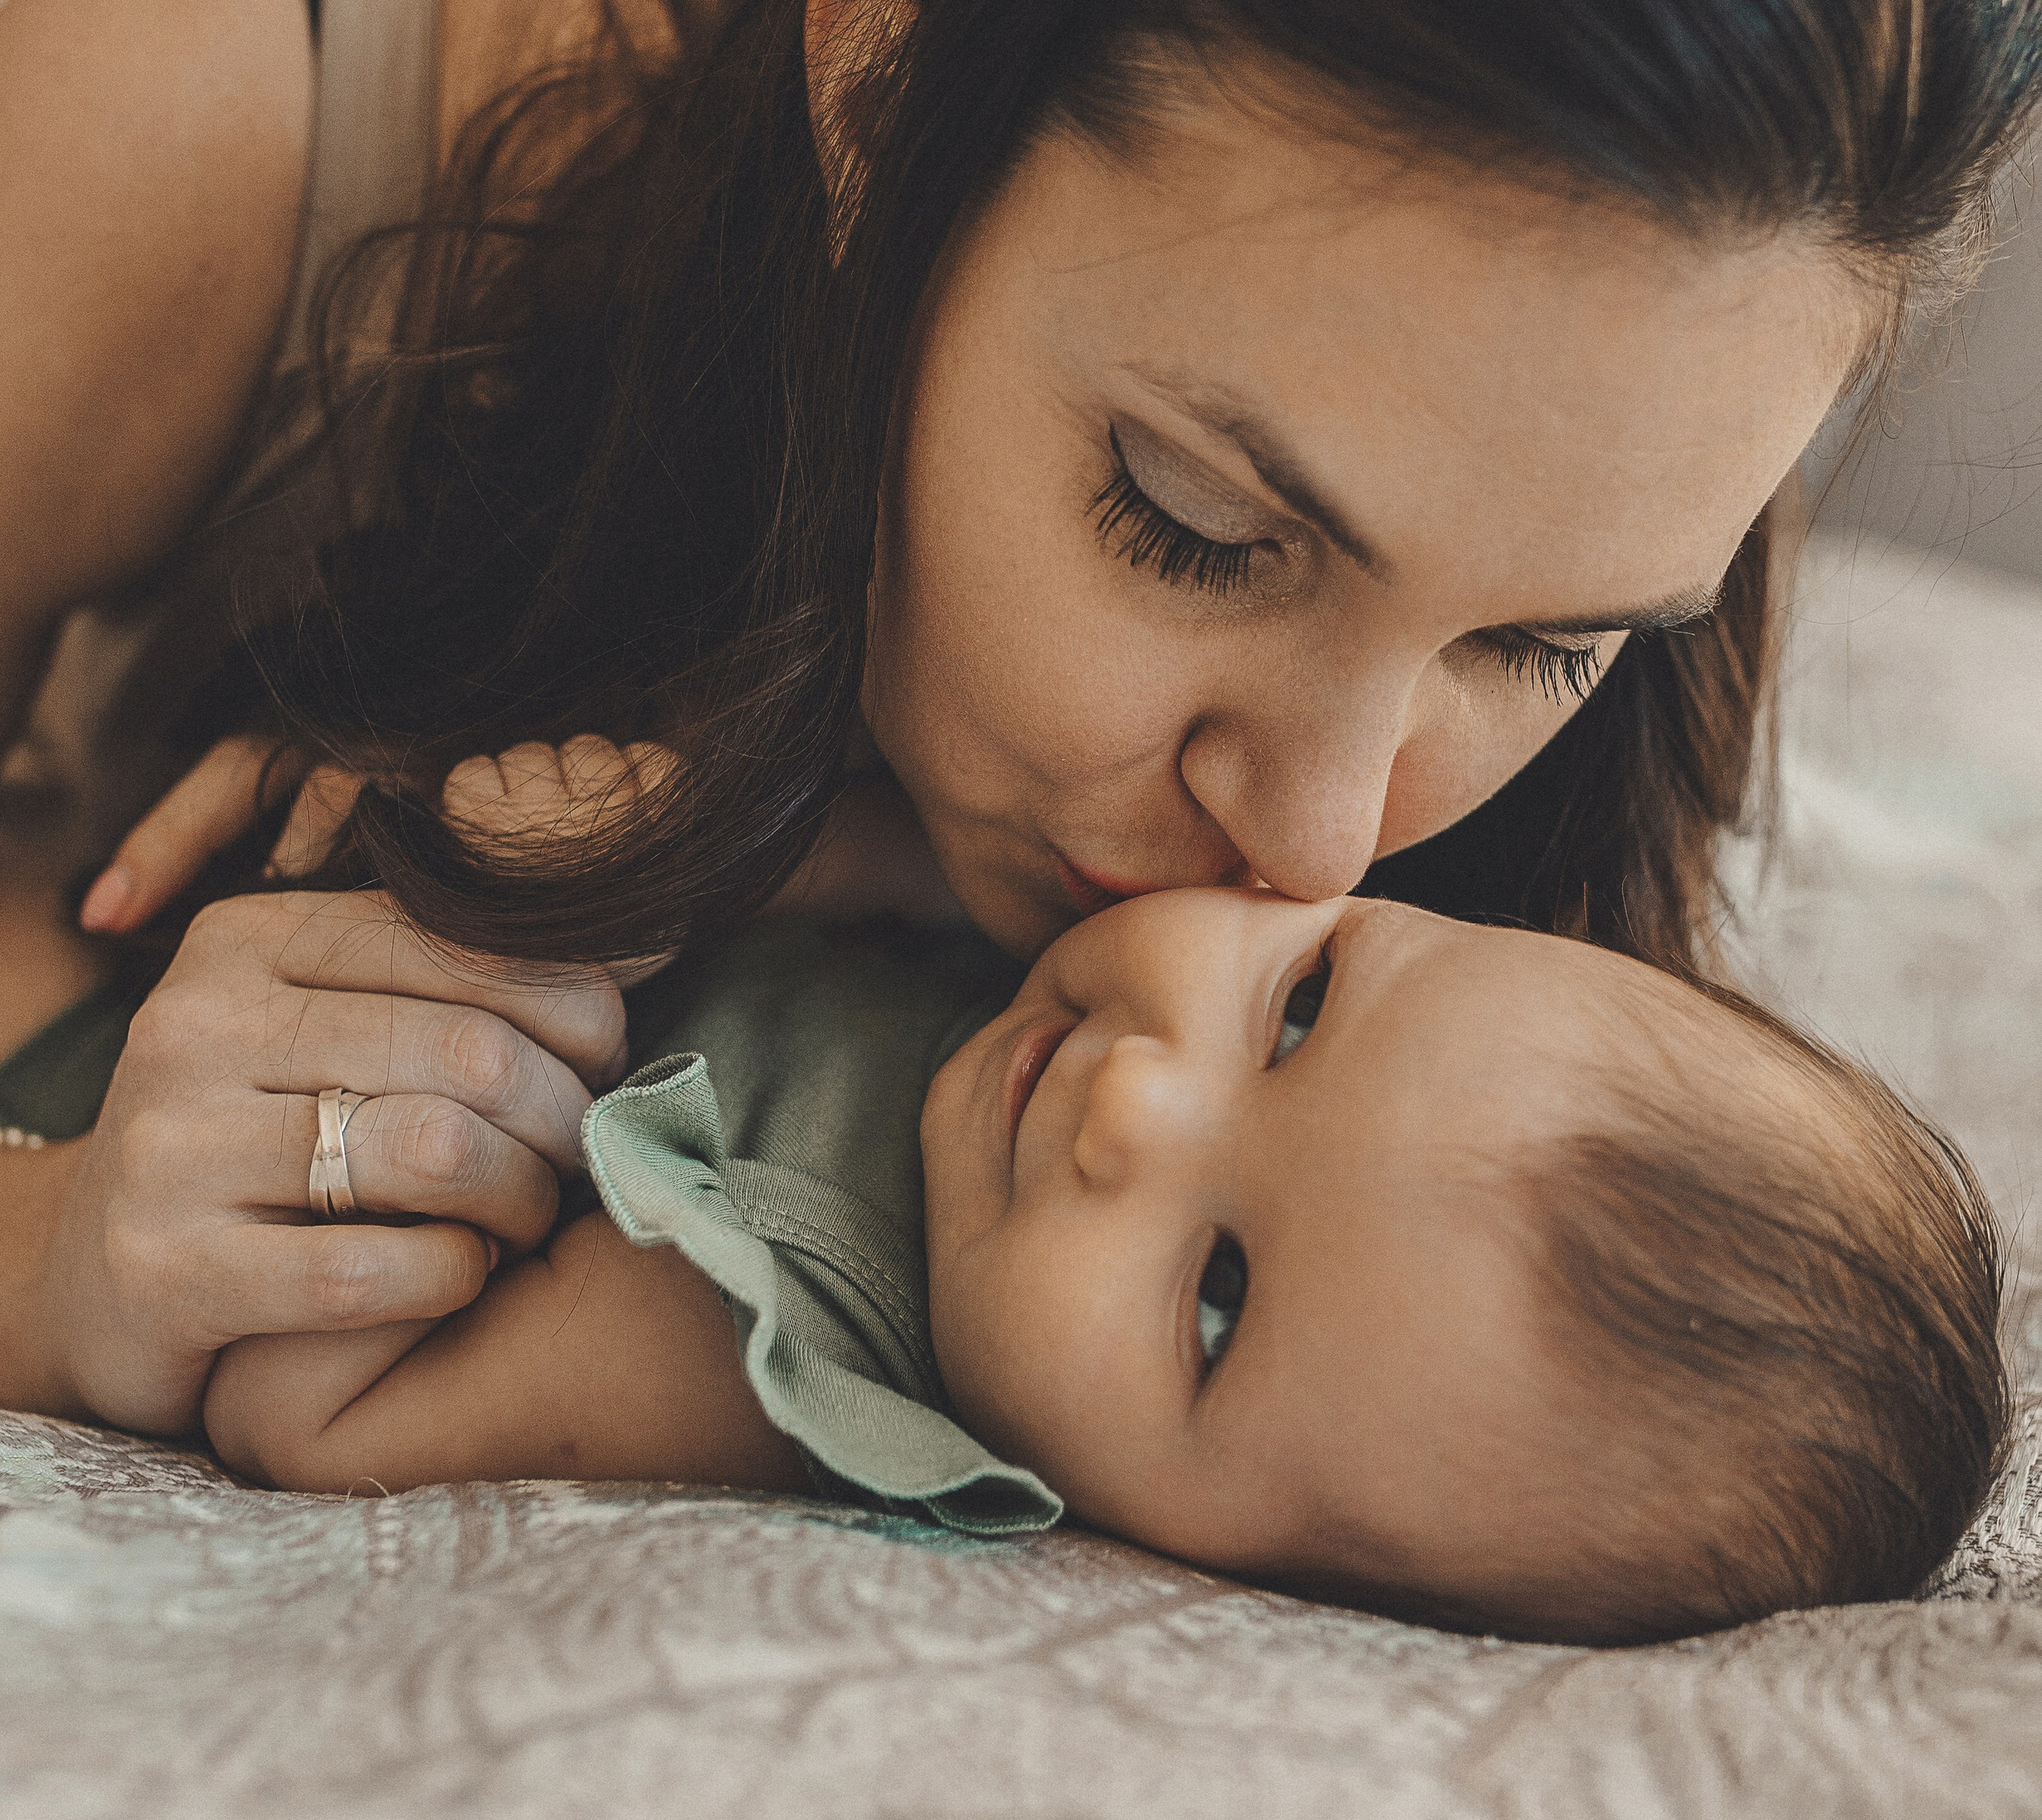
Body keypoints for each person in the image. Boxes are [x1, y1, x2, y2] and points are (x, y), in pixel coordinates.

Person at [4, 0, 2041, 1444]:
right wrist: (54, 1251)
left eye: (1542, 645)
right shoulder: (196, 139)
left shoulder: (1602, 395)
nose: (1318, 840)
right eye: (1192, 517)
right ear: (880, 112)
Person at [203, 743, 2007, 1649]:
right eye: (1300, 1004)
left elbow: (313, 1404)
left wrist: (520, 976)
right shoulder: (1023, 969)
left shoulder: (777, 1337)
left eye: (1215, 1298)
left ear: (1233, 1571)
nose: (1137, 1093)